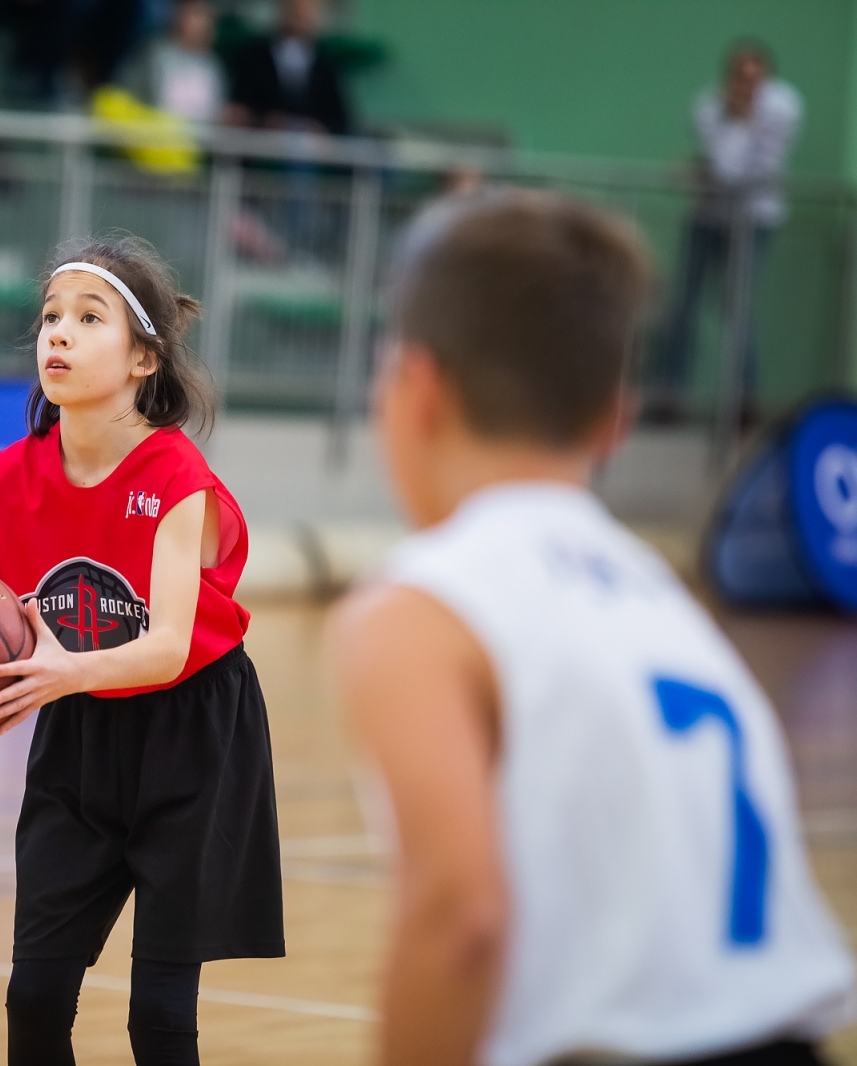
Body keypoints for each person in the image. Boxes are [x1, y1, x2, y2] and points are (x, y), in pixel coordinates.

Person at [331, 189, 853, 1066]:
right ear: (616, 415)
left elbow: (460, 918)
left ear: (414, 391)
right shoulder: (660, 593)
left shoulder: (418, 610)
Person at [0, 233, 285, 1065]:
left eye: (86, 318)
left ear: (144, 358)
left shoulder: (176, 478)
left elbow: (168, 647)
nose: (56, 334)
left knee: (160, 1015)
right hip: (80, 735)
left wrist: (63, 669)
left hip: (194, 735)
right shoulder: (6, 479)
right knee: (33, 997)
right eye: (49, 317)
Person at [650, 40, 802, 422]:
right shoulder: (707, 106)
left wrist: (738, 126)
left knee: (738, 308)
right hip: (708, 216)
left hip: (754, 220)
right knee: (682, 304)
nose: (747, 86)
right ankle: (670, 396)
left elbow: (738, 173)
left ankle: (743, 402)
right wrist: (715, 157)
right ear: (728, 77)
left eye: (755, 78)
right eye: (740, 77)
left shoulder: (785, 106)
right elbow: (722, 167)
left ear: (767, 78)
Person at [224, 0, 354, 136]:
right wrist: (263, 120)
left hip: (313, 149)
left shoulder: (326, 66)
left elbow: (339, 119)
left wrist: (319, 129)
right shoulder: (253, 57)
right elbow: (240, 110)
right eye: (296, 8)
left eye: (308, 9)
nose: (302, 14)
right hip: (261, 145)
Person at [120, 0, 225, 125]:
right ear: (178, 16)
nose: (204, 22)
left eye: (208, 16)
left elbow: (215, 115)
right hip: (152, 136)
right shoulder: (152, 55)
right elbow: (125, 97)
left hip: (201, 140)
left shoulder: (214, 66)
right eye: (196, 14)